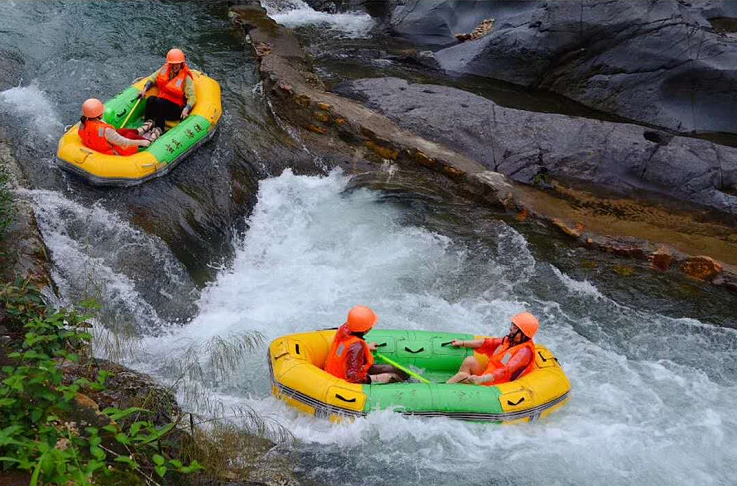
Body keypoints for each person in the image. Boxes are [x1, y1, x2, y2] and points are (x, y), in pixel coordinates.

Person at [446, 312, 539, 385]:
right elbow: (487, 342)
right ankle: (461, 392)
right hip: (488, 375)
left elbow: (506, 370)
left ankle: (444, 390)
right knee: (470, 361)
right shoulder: (510, 340)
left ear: (523, 333)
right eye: (512, 325)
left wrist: (481, 379)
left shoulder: (524, 352)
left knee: (462, 376)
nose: (511, 329)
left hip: (498, 384)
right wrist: (462, 343)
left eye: (515, 328)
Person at [324, 306, 409, 385]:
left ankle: (410, 380)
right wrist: (375, 378)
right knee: (392, 377)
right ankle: (410, 389)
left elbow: (348, 349)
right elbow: (353, 377)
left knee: (391, 368)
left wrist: (366, 347)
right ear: (366, 330)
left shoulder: (344, 330)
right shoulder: (357, 347)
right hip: (342, 379)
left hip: (337, 369)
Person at [138, 48, 196, 137]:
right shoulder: (165, 69)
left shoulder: (186, 78)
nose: (174, 66)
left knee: (159, 103)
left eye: (177, 64)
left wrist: (186, 109)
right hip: (162, 103)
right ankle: (148, 123)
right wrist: (144, 90)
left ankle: (159, 128)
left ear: (181, 63)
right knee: (150, 99)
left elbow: (192, 98)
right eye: (172, 64)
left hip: (176, 109)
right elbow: (153, 78)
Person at [78, 98, 150, 156]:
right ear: (99, 115)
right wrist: (142, 142)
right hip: (111, 152)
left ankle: (140, 130)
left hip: (98, 144)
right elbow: (124, 142)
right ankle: (149, 139)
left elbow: (99, 134)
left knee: (122, 131)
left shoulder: (82, 123)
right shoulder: (105, 131)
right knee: (129, 135)